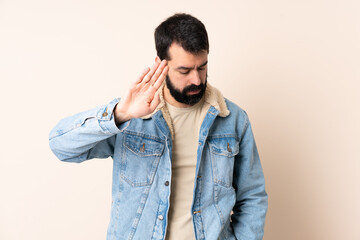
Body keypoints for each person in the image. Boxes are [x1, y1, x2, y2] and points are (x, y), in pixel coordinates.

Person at [49, 13, 268, 240]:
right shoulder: (130, 117)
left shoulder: (233, 120)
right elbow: (61, 146)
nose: (196, 80)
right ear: (160, 64)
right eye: (184, 71)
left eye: (202, 67)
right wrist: (120, 114)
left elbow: (252, 196)